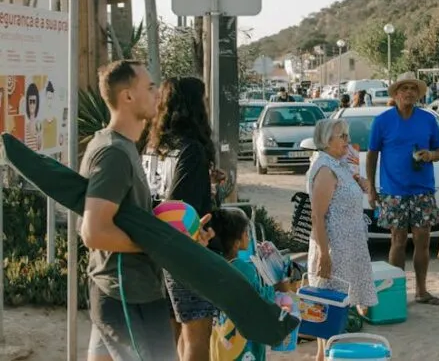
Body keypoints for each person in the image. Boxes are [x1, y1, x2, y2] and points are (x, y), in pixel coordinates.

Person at [80, 60, 211, 360]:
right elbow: (95, 232)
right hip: (123, 293)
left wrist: (185, 235)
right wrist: (161, 245)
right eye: (150, 88)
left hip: (139, 289)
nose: (157, 95)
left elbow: (139, 214)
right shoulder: (113, 152)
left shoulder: (128, 146)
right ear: (127, 97)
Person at [143, 76, 216, 361]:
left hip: (153, 253)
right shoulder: (191, 150)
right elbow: (180, 205)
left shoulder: (152, 146)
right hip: (186, 253)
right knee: (196, 339)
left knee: (164, 340)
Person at [367, 74, 439, 306]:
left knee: (422, 241)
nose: (410, 92)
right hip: (393, 191)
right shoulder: (382, 121)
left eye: (413, 88)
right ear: (396, 94)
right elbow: (372, 155)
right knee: (398, 241)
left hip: (422, 190)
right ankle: (396, 292)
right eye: (405, 88)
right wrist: (372, 188)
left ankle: (422, 291)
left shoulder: (427, 120)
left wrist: (431, 155)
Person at [307, 118, 378, 361]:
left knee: (335, 306)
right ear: (327, 141)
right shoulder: (325, 169)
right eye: (342, 137)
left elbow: (348, 189)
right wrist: (324, 255)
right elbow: (317, 216)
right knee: (329, 305)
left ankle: (324, 355)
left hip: (348, 245)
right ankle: (325, 355)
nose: (348, 141)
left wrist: (362, 183)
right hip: (335, 247)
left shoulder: (339, 164)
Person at [208, 207, 298, 361]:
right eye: (246, 233)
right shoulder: (244, 269)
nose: (248, 237)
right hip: (244, 339)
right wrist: (278, 288)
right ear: (236, 243)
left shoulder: (215, 265)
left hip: (222, 333)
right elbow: (258, 300)